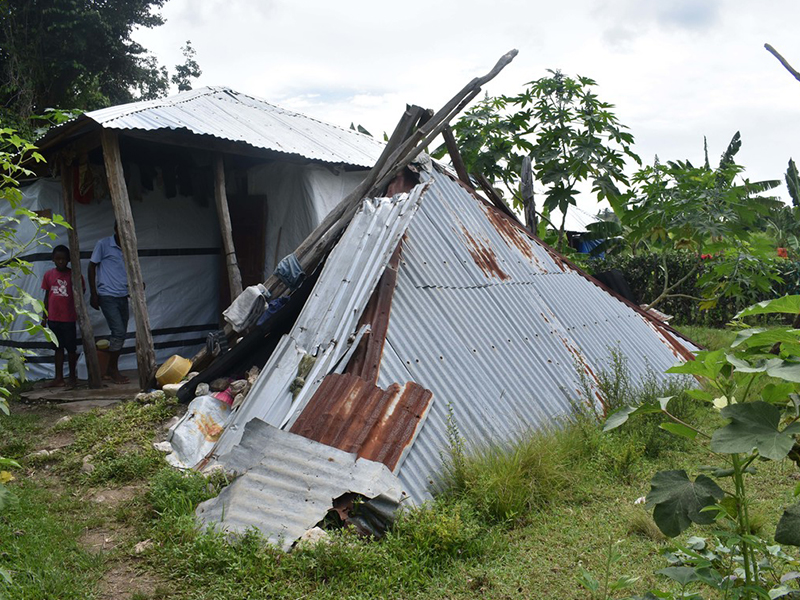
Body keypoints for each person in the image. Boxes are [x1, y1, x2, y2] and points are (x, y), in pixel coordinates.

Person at [89, 222, 130, 384]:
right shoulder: (104, 244)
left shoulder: (129, 246)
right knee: (118, 331)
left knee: (120, 333)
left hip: (123, 295)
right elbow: (92, 267)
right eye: (121, 229)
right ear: (116, 229)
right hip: (107, 295)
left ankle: (106, 366)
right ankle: (113, 369)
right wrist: (94, 293)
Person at [41, 245, 82, 387]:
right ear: (53, 259)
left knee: (71, 349)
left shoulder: (73, 275)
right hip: (53, 318)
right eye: (58, 259)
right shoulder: (48, 275)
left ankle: (72, 377)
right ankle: (58, 377)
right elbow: (47, 296)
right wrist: (44, 316)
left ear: (69, 260)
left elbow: (81, 291)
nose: (61, 262)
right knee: (57, 348)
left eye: (63, 259)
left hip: (68, 318)